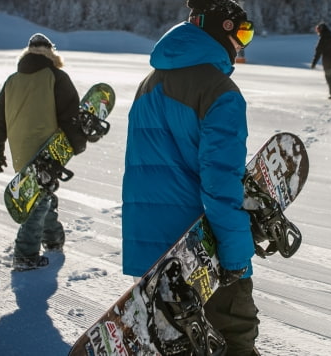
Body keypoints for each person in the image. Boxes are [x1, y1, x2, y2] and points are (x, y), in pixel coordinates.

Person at [122, 0, 260, 354]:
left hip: (152, 252)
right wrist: (235, 257)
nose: (242, 44)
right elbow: (220, 183)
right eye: (243, 32)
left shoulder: (148, 84)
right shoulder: (219, 91)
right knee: (235, 340)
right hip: (201, 252)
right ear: (221, 30)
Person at [0, 33, 87, 271]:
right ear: (52, 53)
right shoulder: (56, 77)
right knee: (38, 201)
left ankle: (53, 240)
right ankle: (25, 254)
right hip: (47, 151)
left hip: (20, 151)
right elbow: (70, 116)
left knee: (42, 194)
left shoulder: (12, 80)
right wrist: (78, 143)